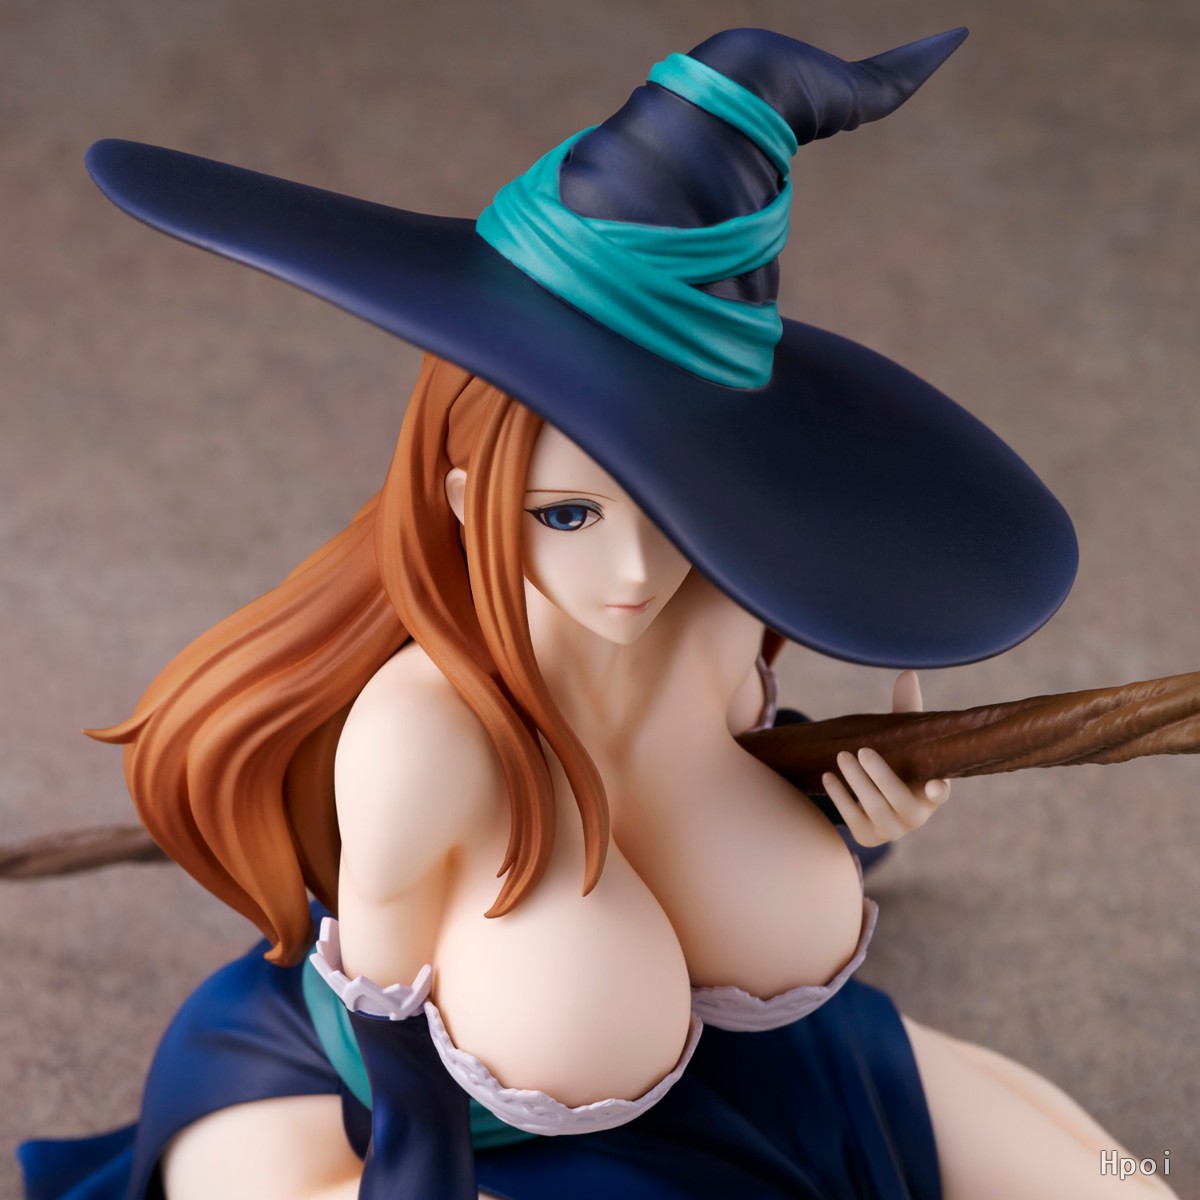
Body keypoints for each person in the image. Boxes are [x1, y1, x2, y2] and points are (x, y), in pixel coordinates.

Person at [18, 26, 1176, 1200]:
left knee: (1129, 1182)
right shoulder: (422, 737)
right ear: (468, 500)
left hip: (766, 1080)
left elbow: (716, 800)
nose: (634, 571)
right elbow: (394, 1045)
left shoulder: (719, 619)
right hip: (413, 1135)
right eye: (568, 514)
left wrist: (850, 813)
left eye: (675, 510)